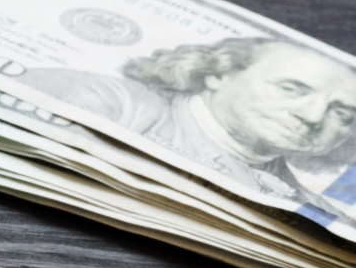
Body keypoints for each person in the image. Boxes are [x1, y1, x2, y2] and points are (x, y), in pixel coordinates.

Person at [20, 38, 356, 215]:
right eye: (291, 89)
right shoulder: (97, 99)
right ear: (219, 73)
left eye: (340, 113)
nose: (312, 117)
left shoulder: (311, 212)